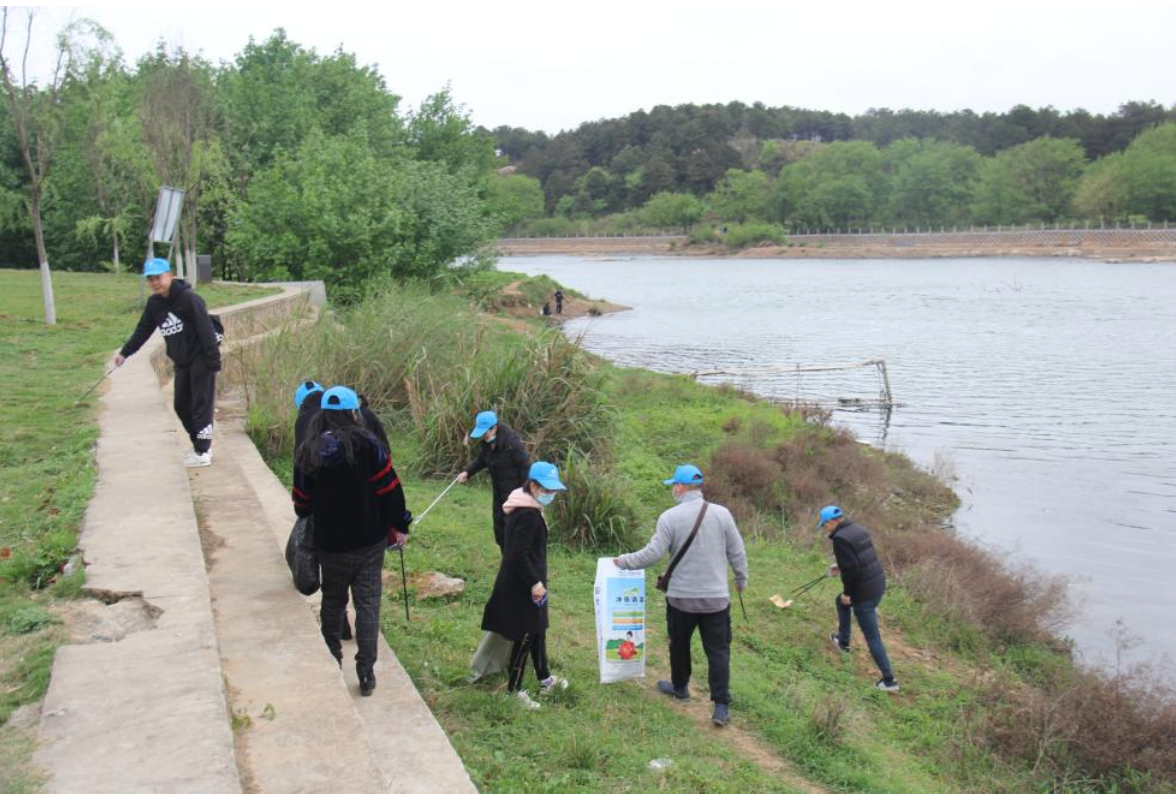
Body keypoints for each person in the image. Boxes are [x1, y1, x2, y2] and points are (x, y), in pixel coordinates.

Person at [292, 386, 410, 697]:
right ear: (353, 412)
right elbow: (390, 490)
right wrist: (400, 524)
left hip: (330, 544)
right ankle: (366, 671)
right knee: (368, 605)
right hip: (369, 542)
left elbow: (301, 503)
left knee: (333, 602)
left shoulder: (310, 450)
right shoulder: (370, 447)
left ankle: (333, 660)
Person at [614, 464, 748, 727]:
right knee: (718, 652)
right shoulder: (723, 514)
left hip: (681, 600)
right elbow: (737, 552)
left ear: (679, 487)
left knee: (679, 643)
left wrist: (623, 561)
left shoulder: (669, 517)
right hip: (716, 601)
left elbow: (651, 555)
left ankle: (680, 687)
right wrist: (741, 579)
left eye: (673, 486)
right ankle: (721, 707)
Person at [116, 258, 222, 468]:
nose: (156, 283)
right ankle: (199, 446)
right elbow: (143, 330)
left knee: (201, 405)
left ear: (170, 275)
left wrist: (213, 362)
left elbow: (206, 330)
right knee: (181, 405)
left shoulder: (189, 299)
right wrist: (125, 352)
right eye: (151, 279)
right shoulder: (154, 304)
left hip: (201, 357)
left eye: (159, 277)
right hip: (182, 361)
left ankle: (202, 451)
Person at [481, 461, 569, 709]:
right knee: (526, 636)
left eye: (554, 490)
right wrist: (534, 583)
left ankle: (545, 678)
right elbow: (517, 554)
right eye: (547, 489)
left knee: (538, 630)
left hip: (531, 581)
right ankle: (513, 691)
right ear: (533, 485)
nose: (551, 494)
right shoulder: (528, 514)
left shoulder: (526, 505)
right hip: (523, 585)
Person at [819, 506, 900, 693]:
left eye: (824, 525)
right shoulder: (858, 529)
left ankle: (889, 680)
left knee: (872, 636)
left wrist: (848, 593)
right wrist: (840, 565)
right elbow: (860, 559)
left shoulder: (839, 539)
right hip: (878, 582)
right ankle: (843, 641)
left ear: (831, 522)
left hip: (864, 592)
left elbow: (853, 571)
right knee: (840, 602)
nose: (825, 529)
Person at [456, 411, 530, 552]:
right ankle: (506, 560)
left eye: (485, 432)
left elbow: (525, 467)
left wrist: (524, 494)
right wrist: (468, 472)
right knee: (500, 531)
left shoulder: (511, 444)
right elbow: (481, 460)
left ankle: (514, 564)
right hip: (498, 493)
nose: (483, 436)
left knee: (513, 532)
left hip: (515, 496)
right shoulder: (487, 444)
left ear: (494, 428)